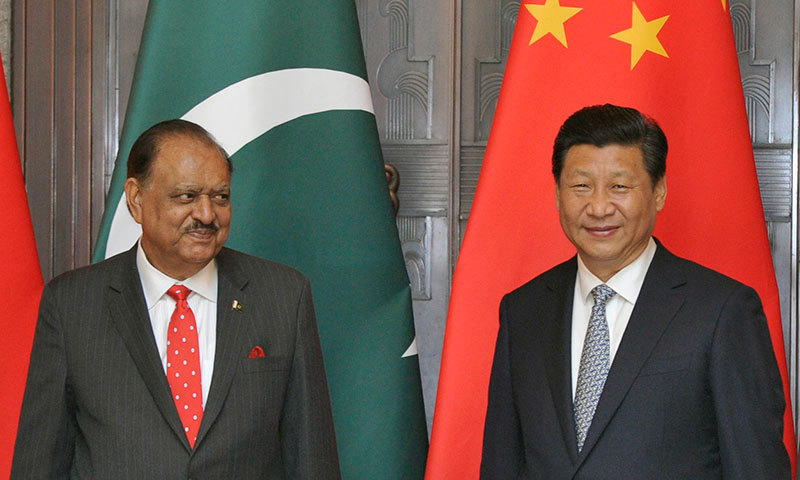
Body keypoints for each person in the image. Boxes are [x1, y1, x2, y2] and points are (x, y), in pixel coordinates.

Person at [11, 119, 341, 479]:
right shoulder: (72, 305)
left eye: (220, 197)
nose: (206, 215)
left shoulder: (283, 295)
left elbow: (311, 458)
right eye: (186, 196)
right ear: (136, 199)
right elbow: (40, 462)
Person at [480, 104, 790, 479]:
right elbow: (502, 463)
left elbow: (755, 466)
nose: (598, 207)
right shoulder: (523, 311)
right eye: (581, 186)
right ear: (558, 194)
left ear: (658, 192)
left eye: (619, 186)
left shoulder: (722, 311)